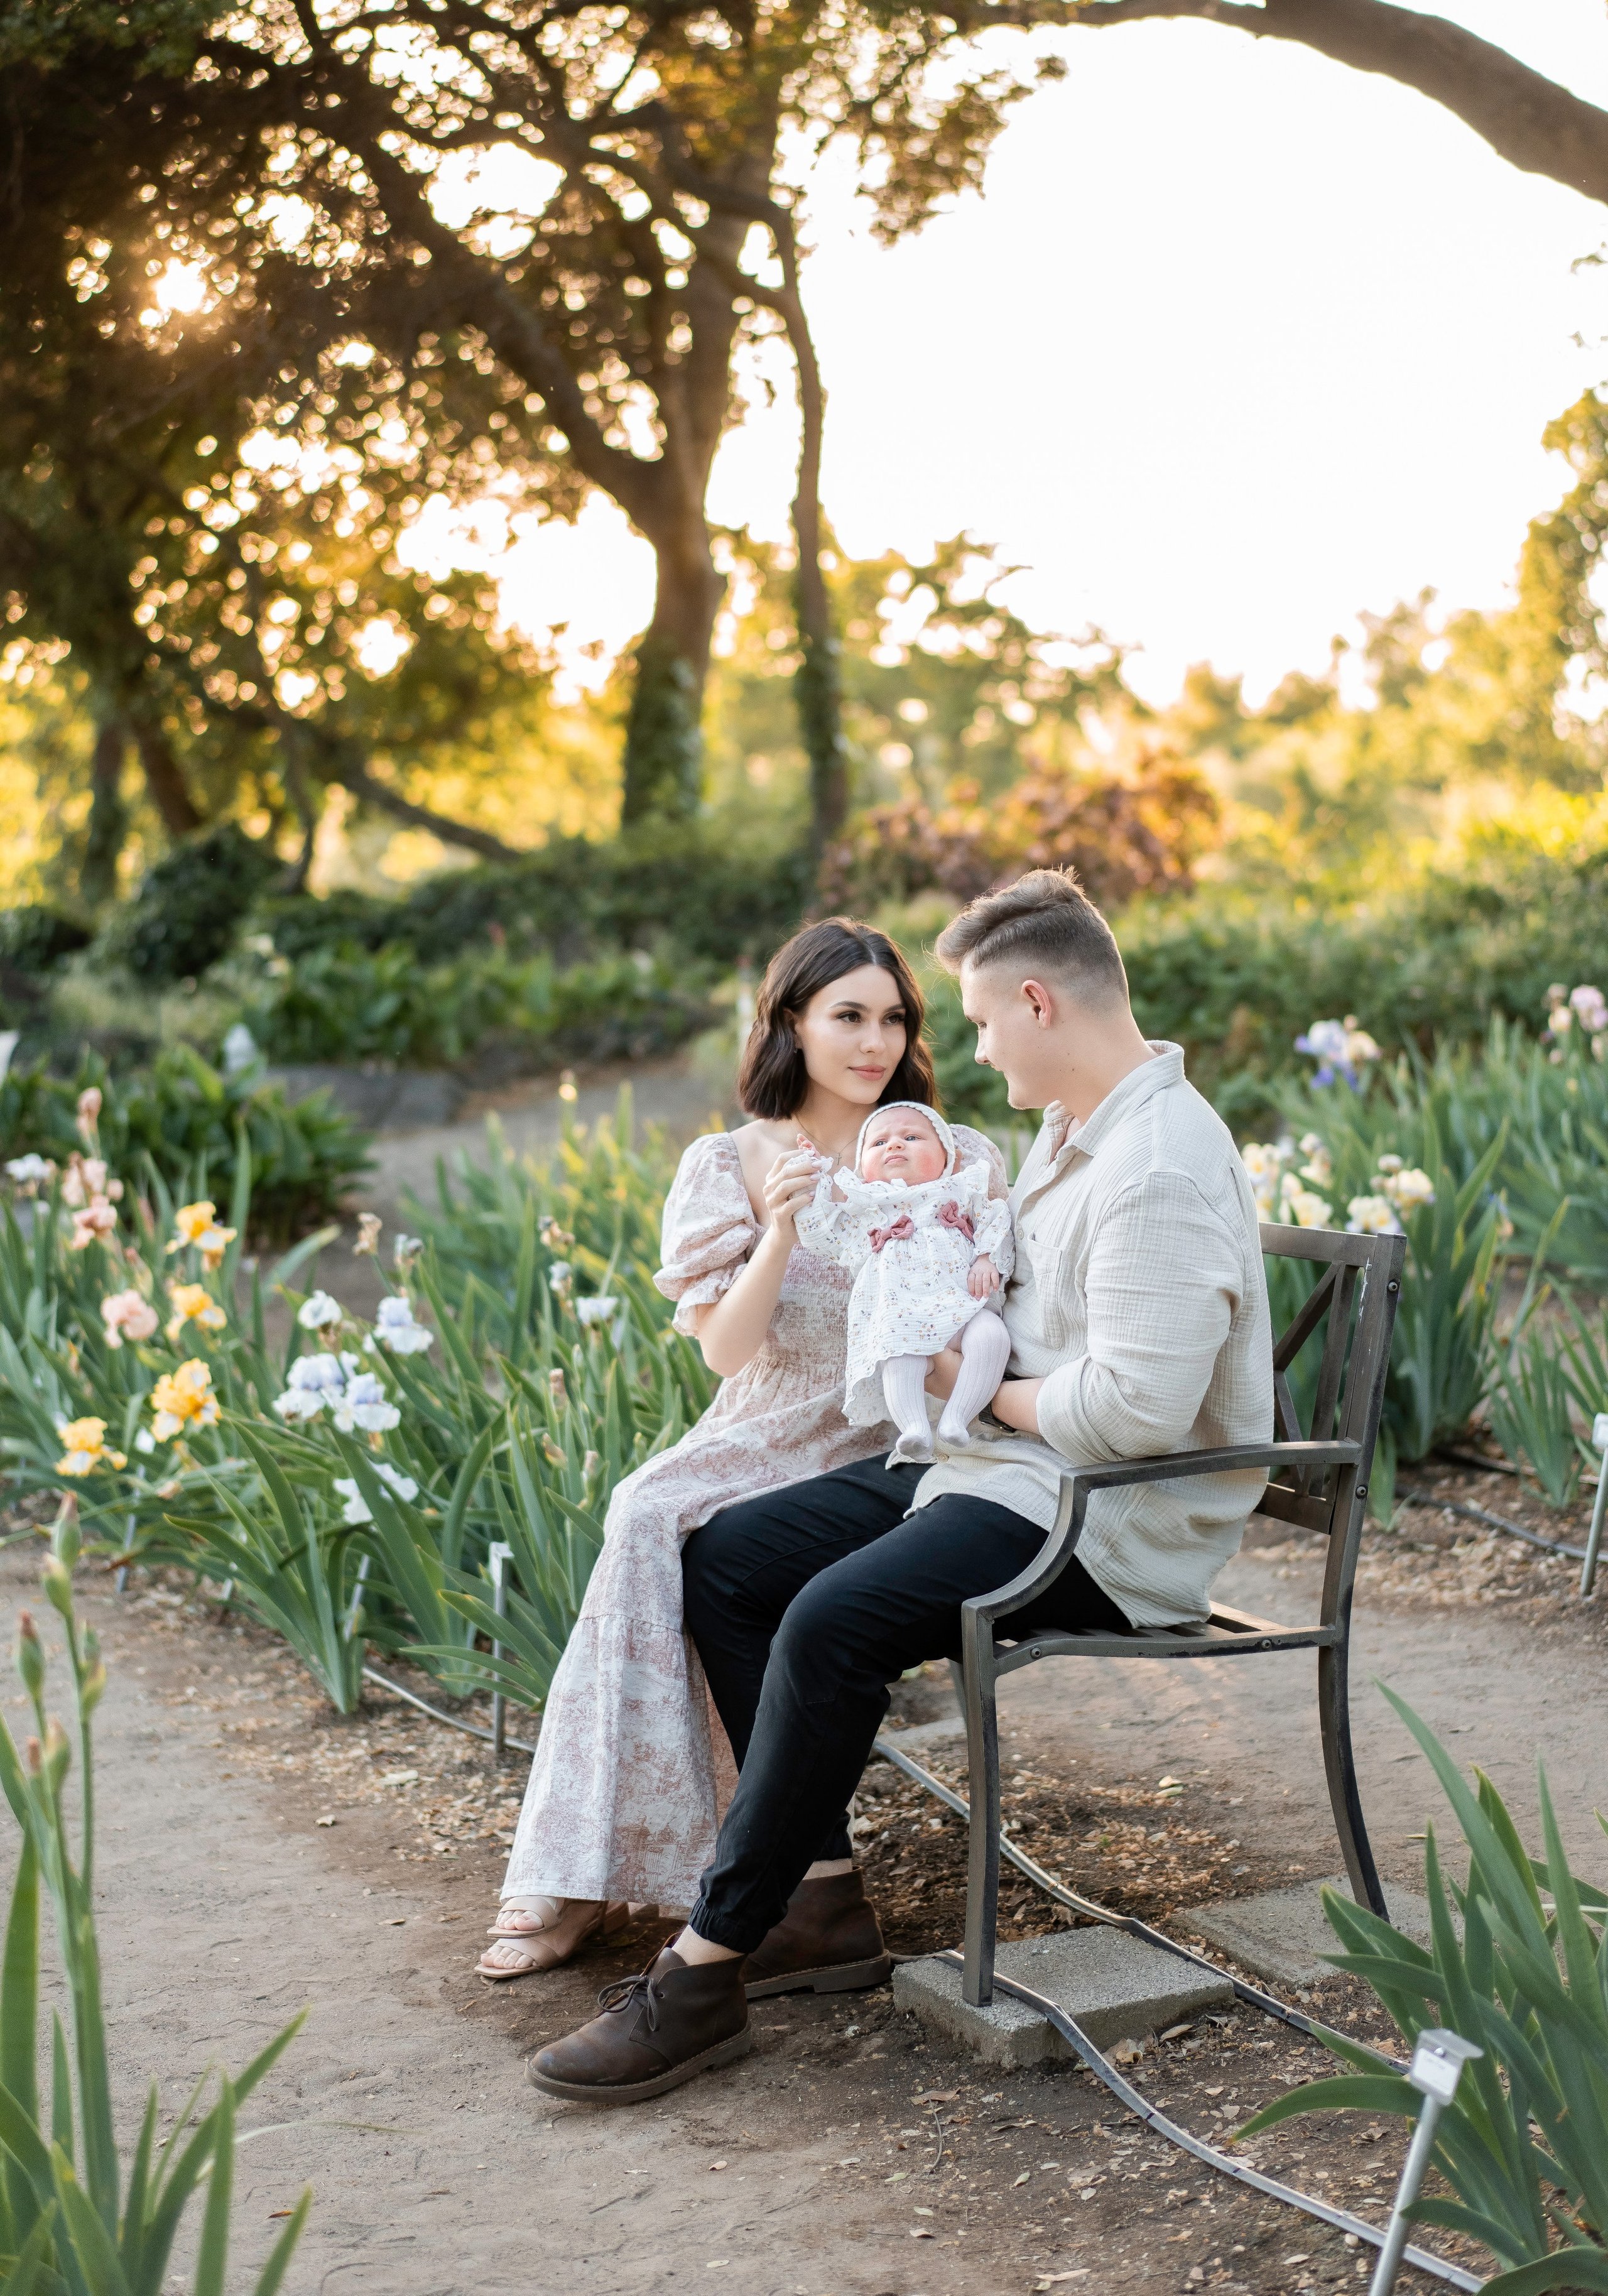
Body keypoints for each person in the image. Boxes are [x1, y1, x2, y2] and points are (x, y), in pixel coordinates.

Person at [528, 866, 1273, 2104]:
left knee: (829, 1619)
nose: (966, 1048)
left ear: (1035, 1002)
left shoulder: (1153, 1164)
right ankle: (817, 1907)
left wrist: (969, 1387)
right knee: (726, 1557)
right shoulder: (1074, 1137)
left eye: (975, 1019)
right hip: (997, 1473)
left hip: (1098, 1521)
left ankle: (702, 1969)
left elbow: (1131, 1417)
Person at [475, 918, 1007, 1979]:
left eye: (893, 1019)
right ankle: (586, 1864)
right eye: (848, 1016)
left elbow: (993, 1294)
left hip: (897, 1431)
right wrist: (777, 1227)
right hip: (769, 1422)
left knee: (679, 1535)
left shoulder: (949, 1157)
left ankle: (678, 1868)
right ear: (792, 1024)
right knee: (645, 1513)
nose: (875, 1043)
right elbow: (727, 1352)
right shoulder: (733, 1159)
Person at [794, 1099, 1013, 1464]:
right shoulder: (866, 1209)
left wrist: (987, 1256)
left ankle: (957, 1418)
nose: (894, 1145)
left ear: (948, 1159)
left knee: (993, 1336)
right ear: (862, 1170)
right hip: (903, 1316)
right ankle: (913, 1427)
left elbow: (996, 1218)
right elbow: (821, 1235)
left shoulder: (961, 1190)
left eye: (912, 1137)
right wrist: (814, 1178)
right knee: (898, 1355)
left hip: (964, 1306)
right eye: (878, 1143)